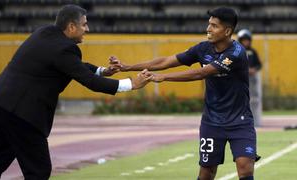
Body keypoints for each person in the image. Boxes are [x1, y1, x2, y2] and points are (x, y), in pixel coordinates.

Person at [0, 5, 151, 180]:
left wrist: (102, 70)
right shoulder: (65, 49)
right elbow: (90, 82)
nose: (87, 29)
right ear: (71, 27)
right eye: (84, 25)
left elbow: (72, 66)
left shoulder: (44, 33)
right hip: (21, 112)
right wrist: (131, 84)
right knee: (38, 170)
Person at [111, 7, 259, 180]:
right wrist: (128, 66)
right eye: (208, 24)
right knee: (207, 172)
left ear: (227, 31)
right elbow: (167, 61)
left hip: (240, 121)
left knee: (245, 168)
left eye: (214, 26)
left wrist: (163, 77)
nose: (208, 29)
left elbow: (201, 73)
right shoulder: (203, 49)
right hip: (212, 121)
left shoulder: (236, 52)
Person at [237, 29, 263, 127]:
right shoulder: (236, 51)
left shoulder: (253, 52)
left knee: (254, 100)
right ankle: (240, 121)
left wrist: (254, 69)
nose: (245, 42)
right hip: (240, 79)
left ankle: (255, 120)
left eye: (247, 40)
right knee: (240, 100)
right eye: (243, 40)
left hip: (252, 80)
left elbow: (259, 64)